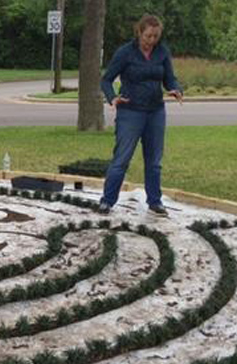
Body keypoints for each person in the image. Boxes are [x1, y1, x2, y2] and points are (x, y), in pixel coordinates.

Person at [98, 14, 183, 216]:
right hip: (130, 113)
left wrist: (175, 89)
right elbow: (106, 80)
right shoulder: (125, 53)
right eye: (148, 37)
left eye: (155, 37)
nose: (151, 41)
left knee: (154, 161)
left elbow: (170, 79)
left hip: (155, 112)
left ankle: (155, 201)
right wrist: (112, 98)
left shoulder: (162, 52)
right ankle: (107, 201)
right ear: (139, 33)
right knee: (121, 159)